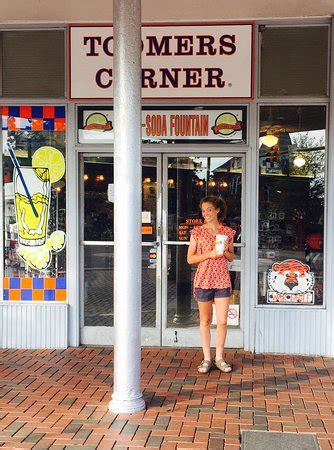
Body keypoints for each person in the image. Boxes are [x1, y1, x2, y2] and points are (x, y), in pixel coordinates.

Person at [187, 195, 235, 374]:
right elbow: (190, 259)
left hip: (222, 279)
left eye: (209, 209)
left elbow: (231, 256)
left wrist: (222, 252)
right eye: (203, 210)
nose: (205, 213)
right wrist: (209, 254)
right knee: (205, 321)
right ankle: (207, 358)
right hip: (204, 280)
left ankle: (220, 357)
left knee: (222, 322)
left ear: (217, 210)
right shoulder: (197, 232)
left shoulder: (227, 232)